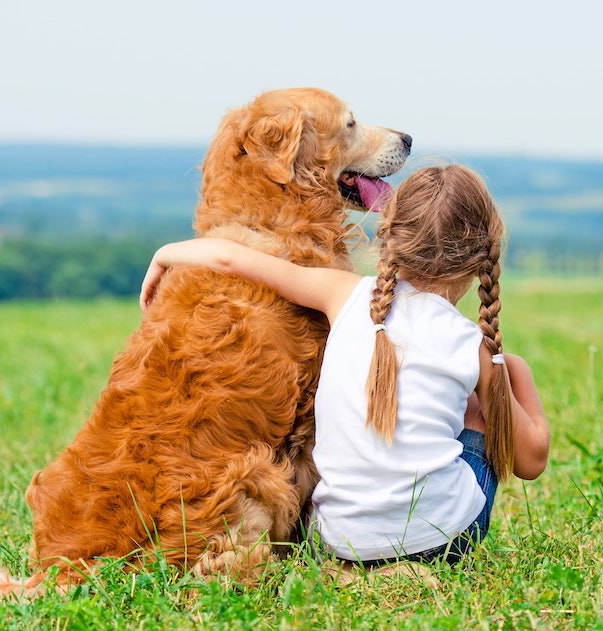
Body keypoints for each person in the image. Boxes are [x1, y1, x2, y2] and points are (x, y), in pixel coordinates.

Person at [139, 164, 550, 566]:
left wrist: (164, 255)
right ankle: (420, 532)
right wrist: (512, 369)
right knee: (479, 406)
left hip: (335, 541)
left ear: (387, 237)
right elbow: (531, 461)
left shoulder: (341, 293)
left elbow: (230, 257)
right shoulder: (471, 346)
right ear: (482, 257)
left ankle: (364, 561)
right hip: (441, 543)